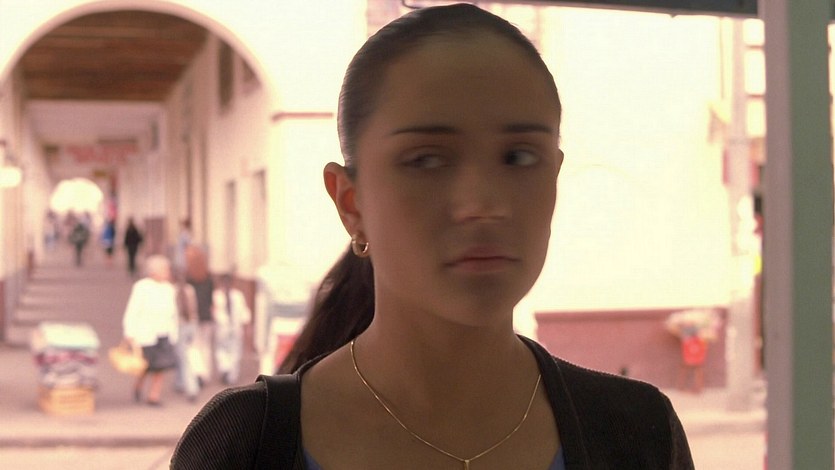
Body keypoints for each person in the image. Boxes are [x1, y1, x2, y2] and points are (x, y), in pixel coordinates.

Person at [171, 4, 694, 469]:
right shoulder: (244, 445)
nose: (484, 204)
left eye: (519, 157)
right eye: (426, 160)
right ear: (351, 203)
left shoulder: (637, 434)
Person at [122, 255, 179, 406]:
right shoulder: (142, 287)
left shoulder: (169, 288)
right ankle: (138, 385)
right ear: (153, 271)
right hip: (146, 333)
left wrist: (175, 332)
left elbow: (173, 312)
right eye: (164, 269)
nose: (167, 272)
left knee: (161, 366)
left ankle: (154, 396)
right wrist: (129, 332)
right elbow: (133, 310)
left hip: (164, 332)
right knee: (145, 365)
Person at [212, 272, 252, 385]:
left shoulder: (236, 296)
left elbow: (244, 311)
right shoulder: (218, 296)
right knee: (223, 350)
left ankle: (230, 374)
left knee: (233, 351)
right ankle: (226, 370)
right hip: (223, 327)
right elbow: (214, 311)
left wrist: (246, 325)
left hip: (233, 327)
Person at [185, 245, 215, 386]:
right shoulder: (208, 278)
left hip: (193, 316)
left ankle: (198, 371)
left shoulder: (189, 279)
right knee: (206, 346)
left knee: (193, 346)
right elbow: (211, 299)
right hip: (206, 316)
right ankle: (206, 373)